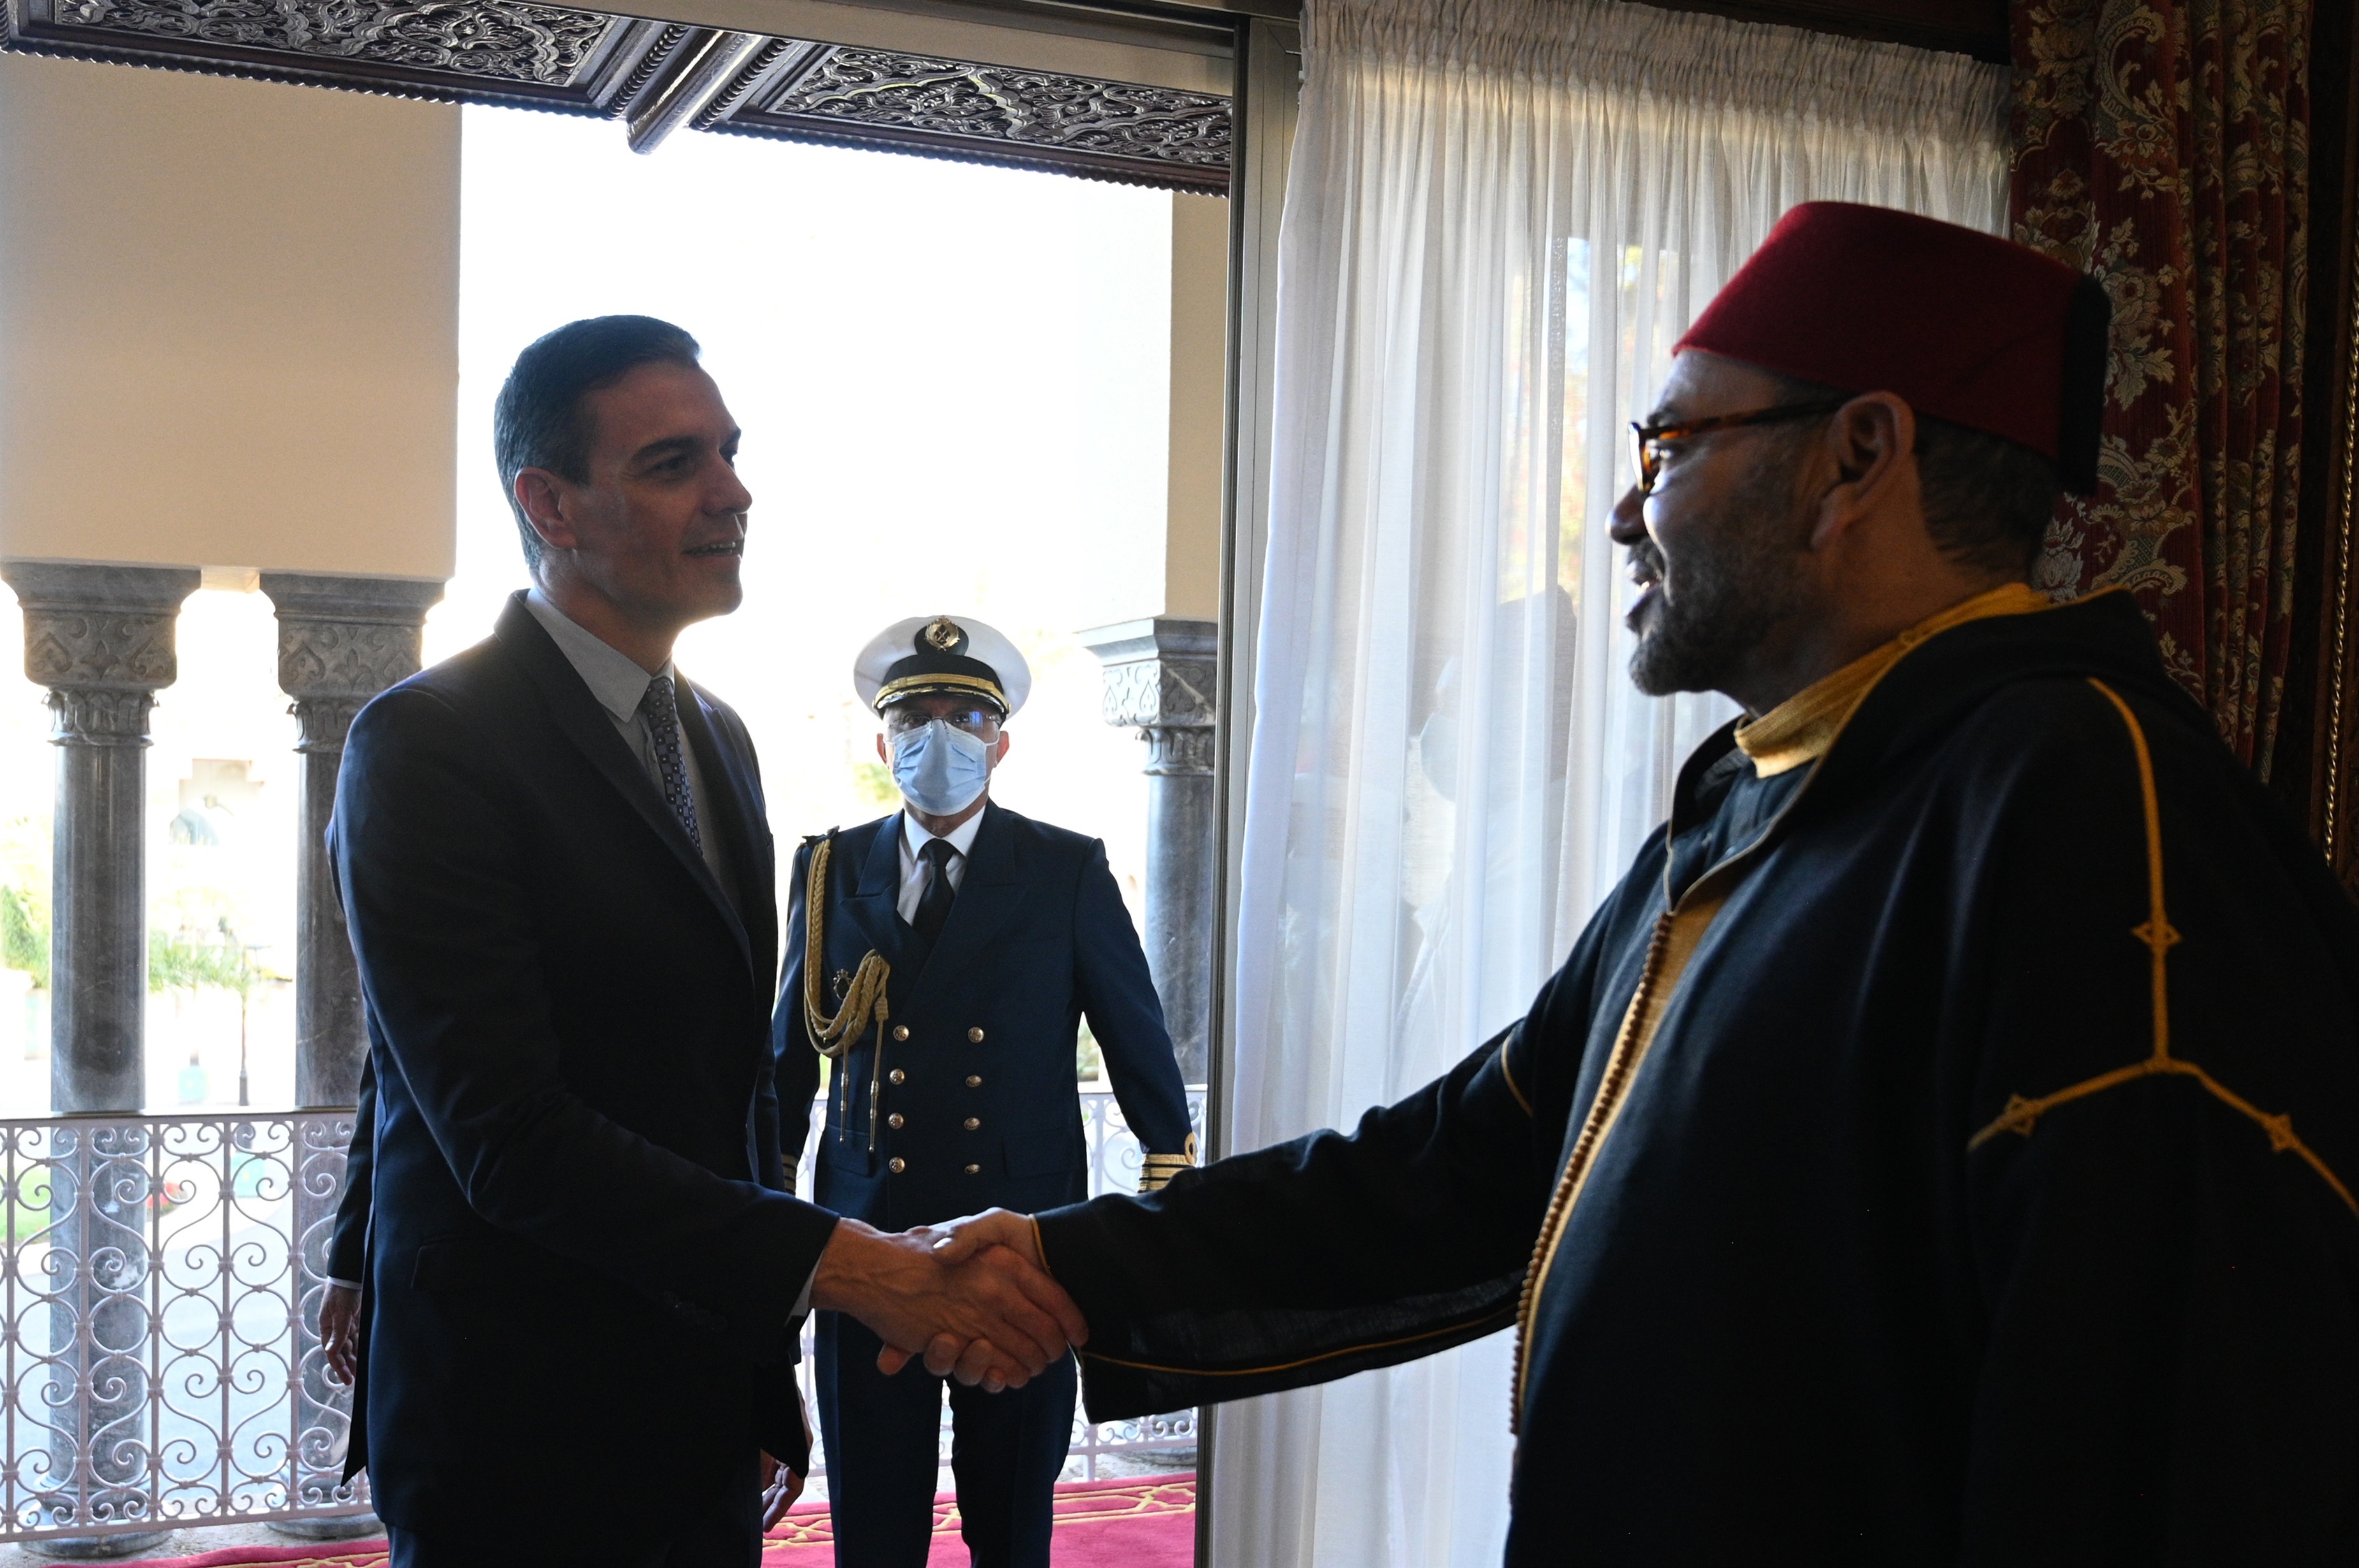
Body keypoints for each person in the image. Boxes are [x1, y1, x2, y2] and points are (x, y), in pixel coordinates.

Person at [919, 203, 2359, 1560]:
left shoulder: (2086, 795)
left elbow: (2169, 1429)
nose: (1622, 509)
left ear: (1857, 457)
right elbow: (1468, 1162)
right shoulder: (1751, 797)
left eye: (1666, 441)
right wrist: (1069, 1259)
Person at [325, 316, 1083, 1568]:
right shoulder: (430, 743)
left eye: (728, 453)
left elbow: (726, 1097)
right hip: (518, 1410)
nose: (733, 492)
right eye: (674, 464)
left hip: (696, 1391)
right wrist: (852, 1269)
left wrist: (755, 1373)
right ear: (549, 503)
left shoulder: (717, 738)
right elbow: (501, 1130)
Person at [771, 614, 1195, 1568]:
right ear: (884, 744)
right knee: (873, 1512)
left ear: (1000, 743)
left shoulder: (1064, 869)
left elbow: (1134, 1036)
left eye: (965, 717)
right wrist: (765, 1216)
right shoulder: (830, 869)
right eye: (915, 717)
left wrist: (1169, 1173)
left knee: (1010, 1510)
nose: (940, 738)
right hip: (864, 1237)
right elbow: (790, 1062)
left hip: (1020, 1236)